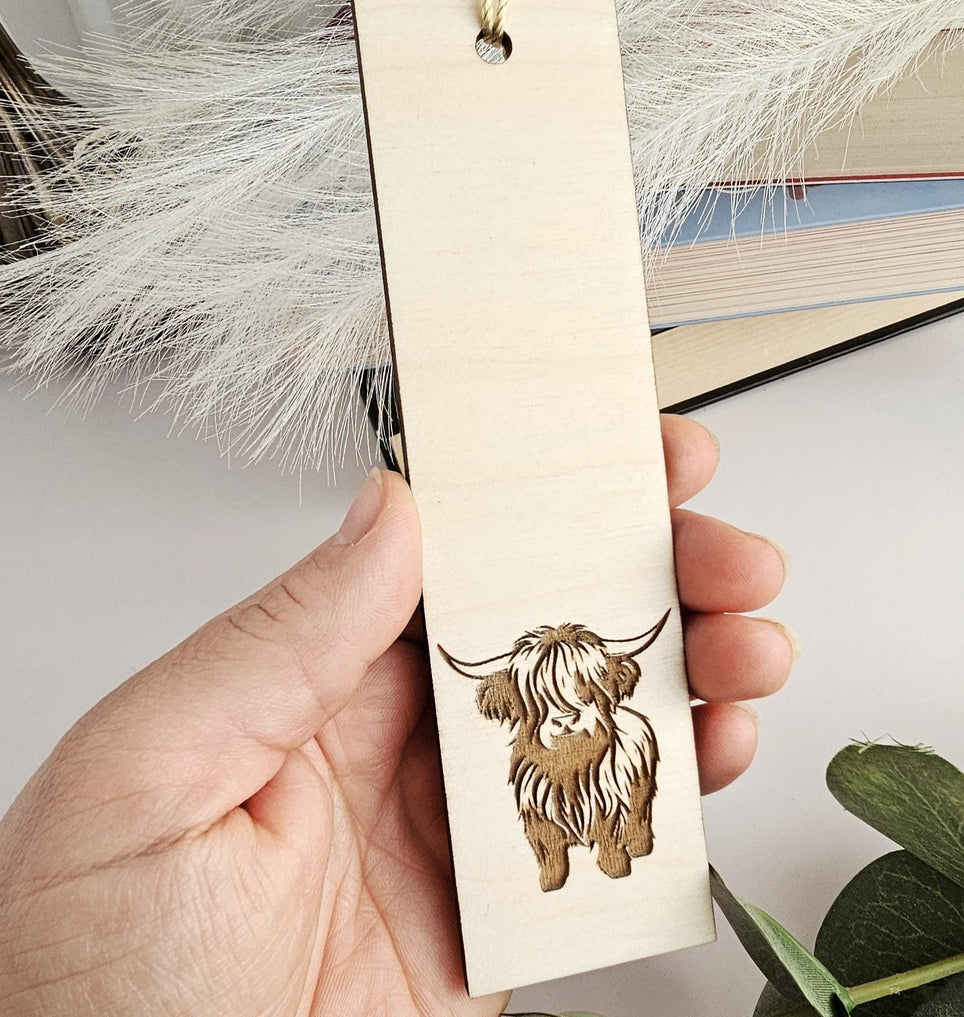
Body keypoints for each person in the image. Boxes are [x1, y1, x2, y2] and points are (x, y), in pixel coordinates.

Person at [0, 415, 795, 1016]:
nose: (561, 718)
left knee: (641, 807)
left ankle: (619, 844)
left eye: (582, 697)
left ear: (607, 689)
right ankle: (561, 862)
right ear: (519, 705)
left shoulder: (623, 729)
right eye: (543, 702)